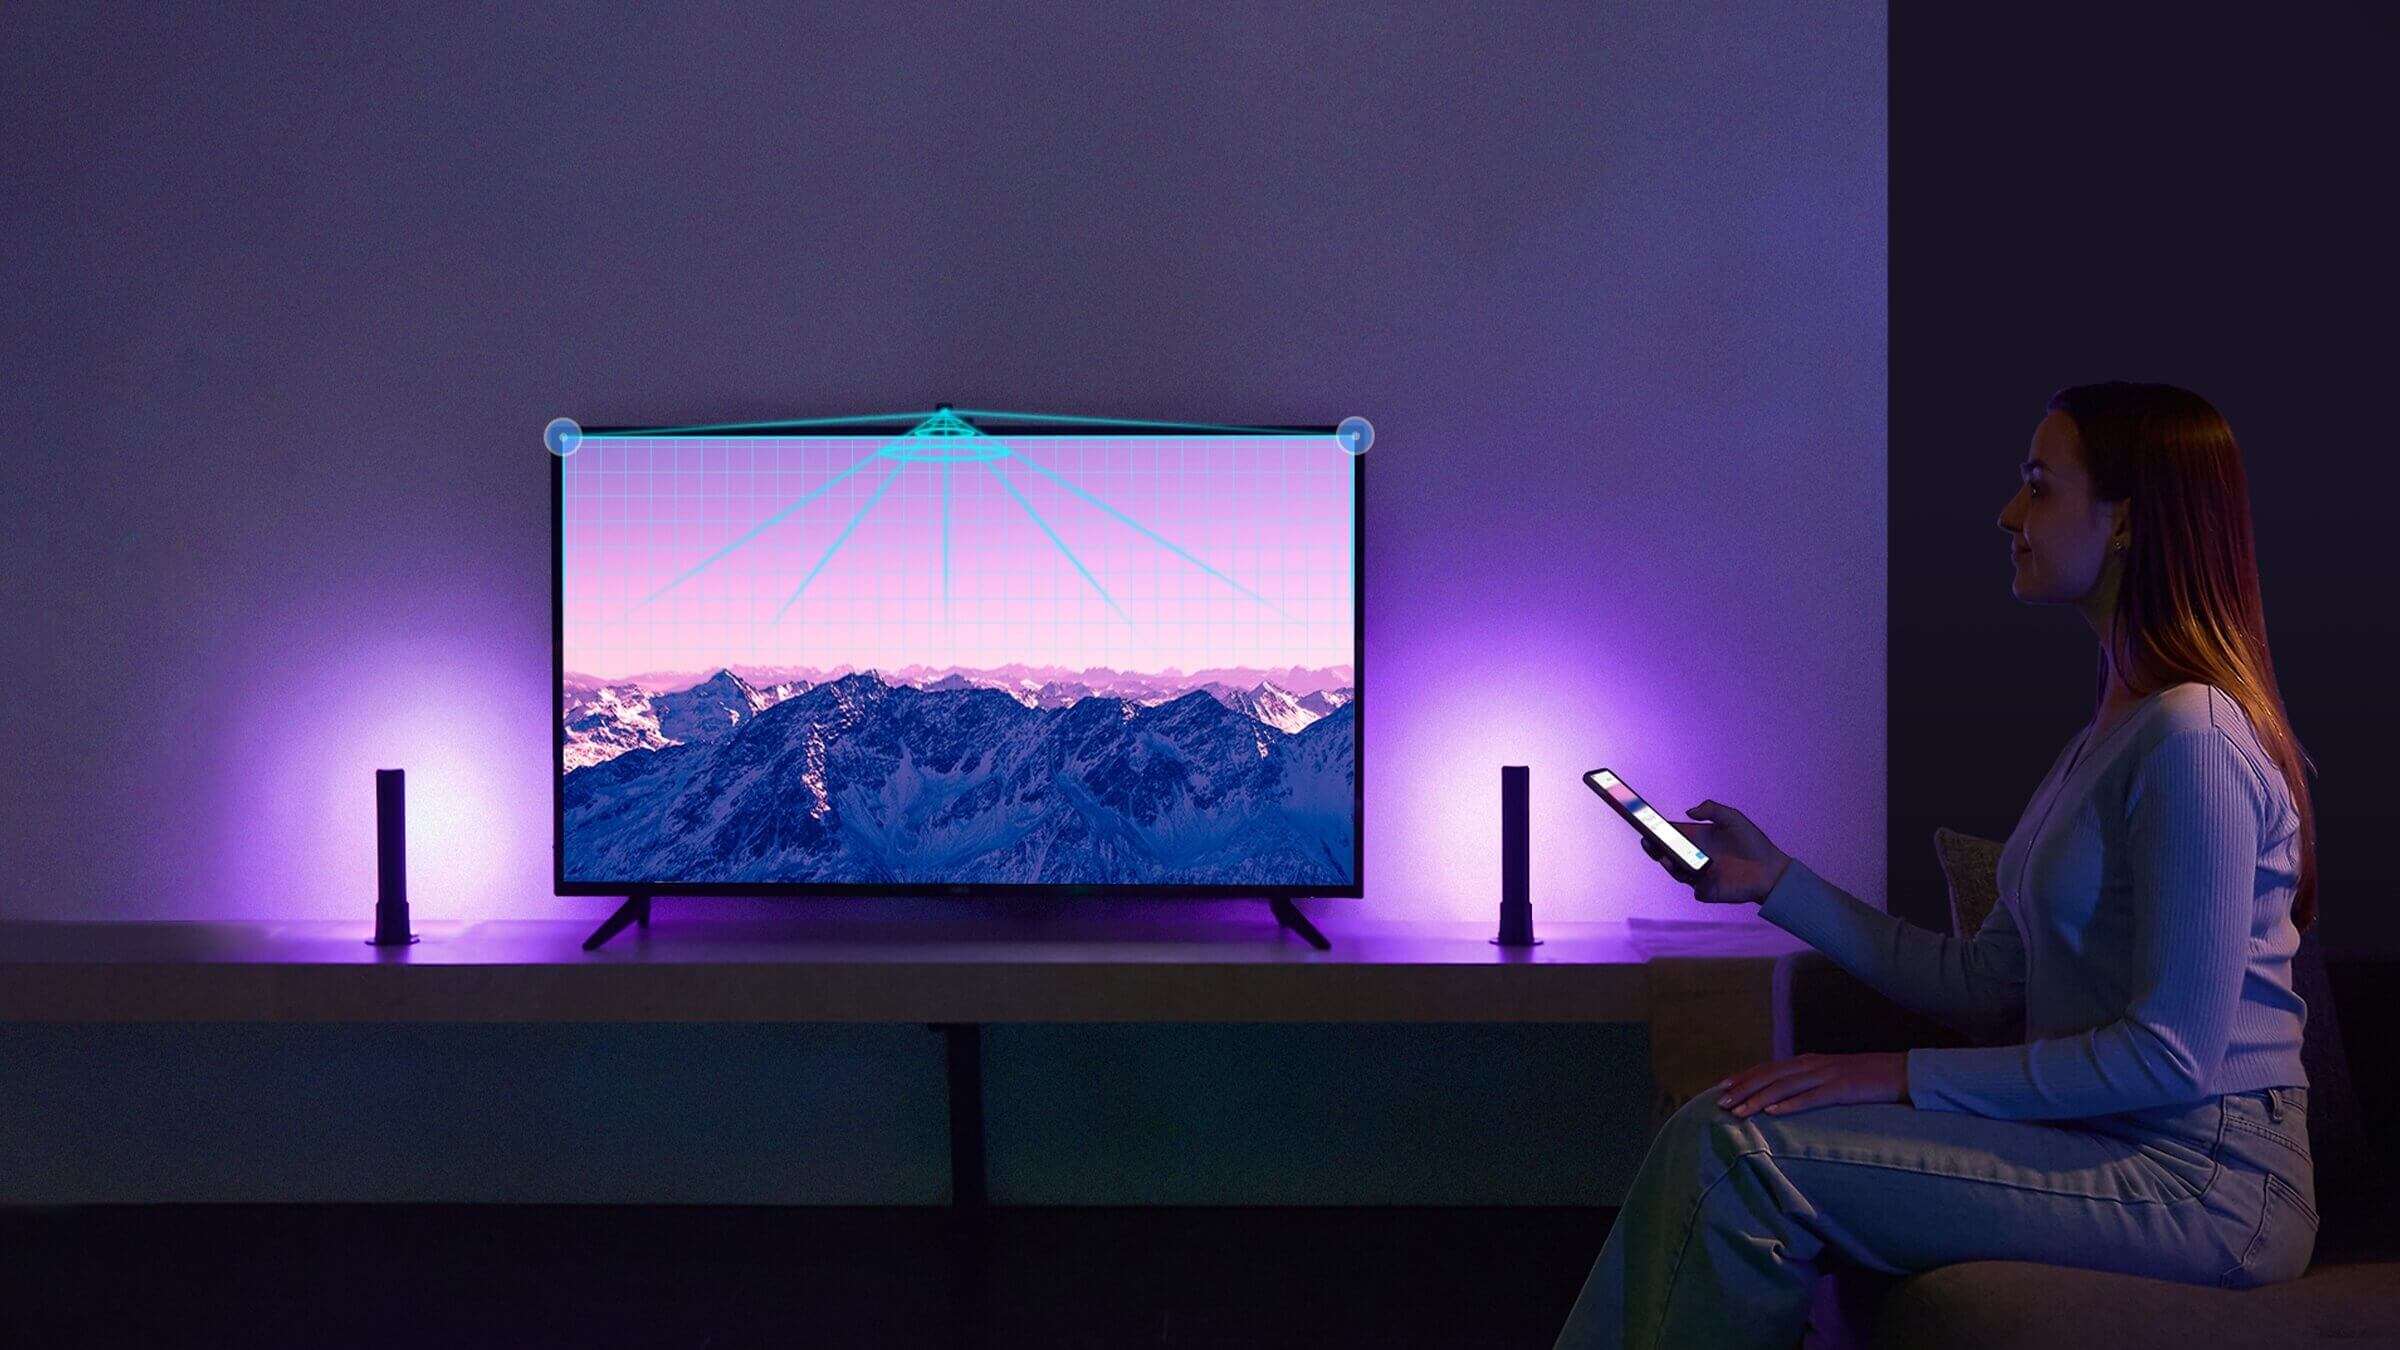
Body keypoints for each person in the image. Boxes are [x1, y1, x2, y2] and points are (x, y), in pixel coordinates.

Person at [1553, 382, 2322, 1349]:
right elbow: (1979, 984)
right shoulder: (2109, 738)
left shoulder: (2193, 738)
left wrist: (1896, 1075)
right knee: (1714, 1128)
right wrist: (1775, 881)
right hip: (2111, 1150)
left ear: (2126, 520)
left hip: (2205, 1182)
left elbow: (2171, 1057)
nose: (2010, 515)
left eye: (2039, 488)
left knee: (1737, 1155)